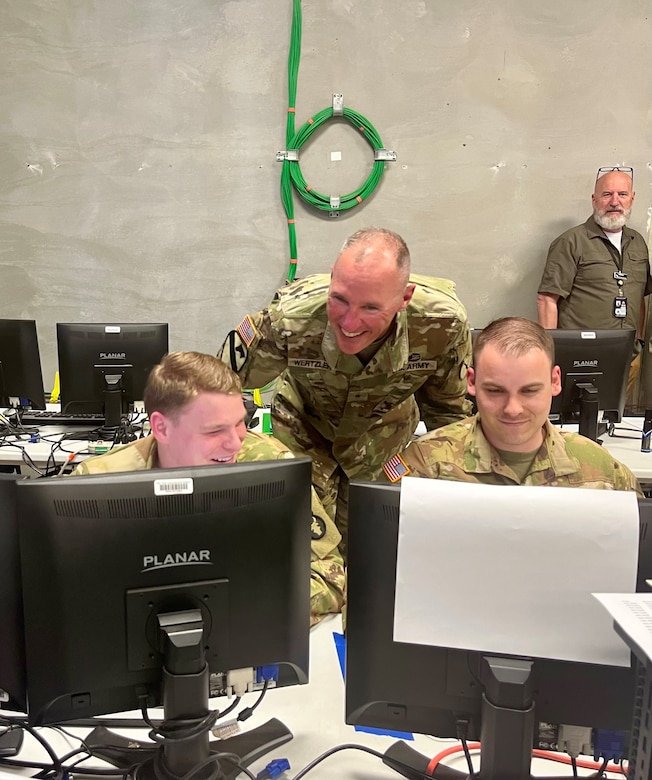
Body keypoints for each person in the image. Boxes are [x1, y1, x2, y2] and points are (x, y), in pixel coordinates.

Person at [218, 227, 472, 551]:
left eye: (370, 308)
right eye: (339, 300)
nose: (350, 324)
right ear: (331, 277)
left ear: (404, 298)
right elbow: (219, 386)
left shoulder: (441, 323)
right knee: (295, 551)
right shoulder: (293, 317)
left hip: (382, 441)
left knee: (371, 553)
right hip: (302, 431)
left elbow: (448, 416)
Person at [72, 351, 346, 626]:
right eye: (214, 431)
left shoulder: (269, 465)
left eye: (240, 422)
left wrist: (249, 608)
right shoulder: (99, 481)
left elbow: (329, 576)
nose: (235, 444)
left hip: (245, 637)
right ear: (162, 428)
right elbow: (67, 592)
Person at [382, 317, 643, 496]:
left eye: (529, 391)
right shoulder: (425, 467)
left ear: (555, 382)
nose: (513, 408)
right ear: (471, 382)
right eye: (495, 391)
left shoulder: (603, 473)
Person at [537, 167, 652, 399]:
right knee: (576, 425)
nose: (614, 201)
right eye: (607, 194)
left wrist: (637, 341)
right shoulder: (571, 242)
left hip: (626, 356)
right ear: (594, 199)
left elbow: (639, 297)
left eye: (622, 194)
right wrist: (550, 355)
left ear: (632, 198)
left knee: (614, 424)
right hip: (580, 357)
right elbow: (547, 299)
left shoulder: (638, 243)